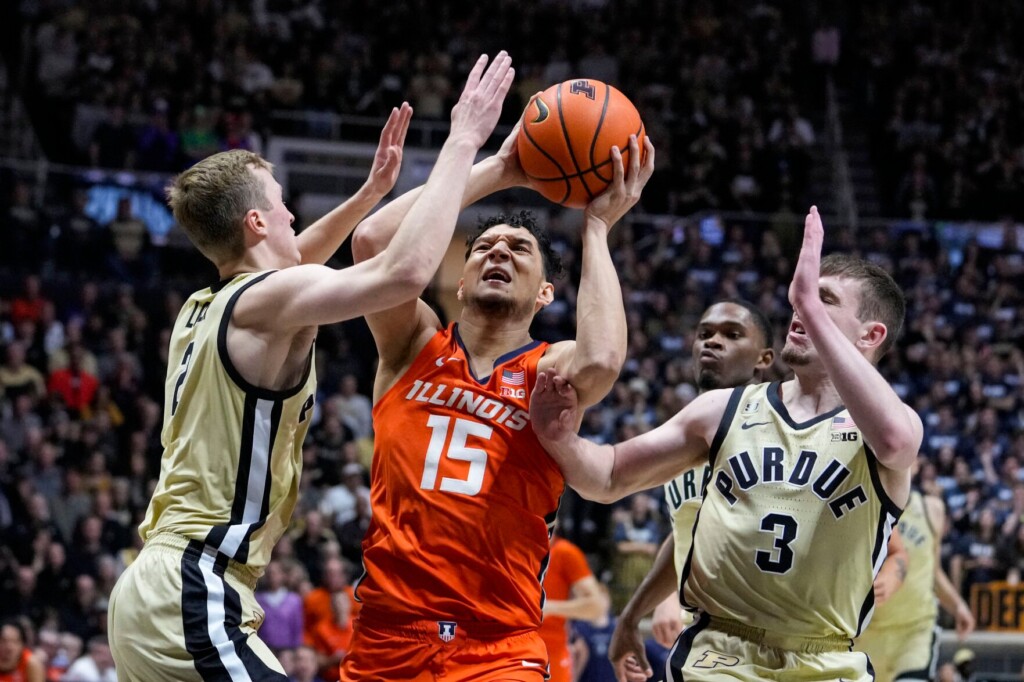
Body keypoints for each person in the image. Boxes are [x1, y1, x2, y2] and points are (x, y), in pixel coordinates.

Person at [107, 51, 516, 681]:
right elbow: (403, 273)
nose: (292, 213)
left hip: (154, 591)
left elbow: (294, 261)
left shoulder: (205, 305)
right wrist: (465, 143)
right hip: (194, 585)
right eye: (281, 203)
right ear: (255, 221)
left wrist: (370, 195)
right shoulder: (264, 303)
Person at [531, 206, 922, 682]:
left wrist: (810, 305)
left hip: (827, 659)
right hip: (720, 653)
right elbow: (611, 475)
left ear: (871, 336)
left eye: (824, 302)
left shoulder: (893, 426)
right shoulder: (725, 410)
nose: (801, 310)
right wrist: (562, 439)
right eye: (801, 302)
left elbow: (896, 441)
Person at [340, 99, 656, 678]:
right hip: (386, 636)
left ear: (545, 294)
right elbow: (372, 243)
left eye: (520, 249)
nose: (499, 252)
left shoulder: (548, 366)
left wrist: (597, 227)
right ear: (457, 281)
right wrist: (502, 169)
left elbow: (605, 357)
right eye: (484, 247)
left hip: (499, 646)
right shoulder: (414, 344)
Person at [609, 301, 775, 657]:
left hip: (769, 637)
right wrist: (648, 607)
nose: (713, 342)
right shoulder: (682, 432)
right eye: (705, 334)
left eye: (732, 334)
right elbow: (688, 530)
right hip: (707, 638)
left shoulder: (778, 427)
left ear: (764, 359)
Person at [854, 487, 976, 682]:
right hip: (862, 635)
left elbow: (933, 570)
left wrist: (957, 605)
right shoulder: (858, 503)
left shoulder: (932, 509)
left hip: (914, 632)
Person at [540, 525, 607, 682]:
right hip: (507, 651)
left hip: (551, 653)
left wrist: (548, 607)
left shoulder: (564, 552)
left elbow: (596, 606)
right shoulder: (506, 551)